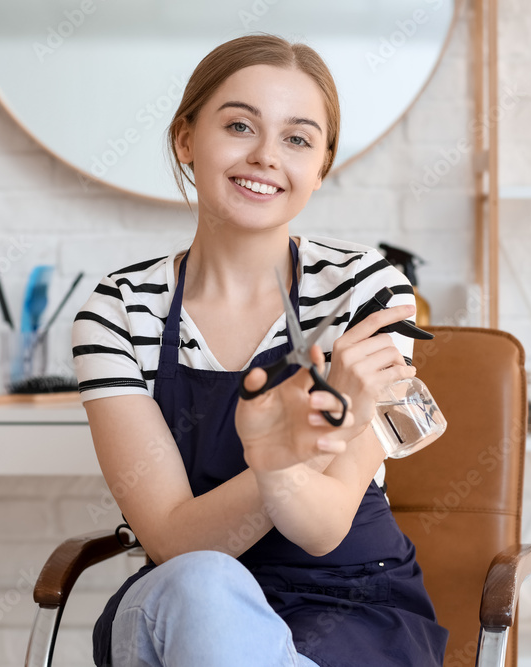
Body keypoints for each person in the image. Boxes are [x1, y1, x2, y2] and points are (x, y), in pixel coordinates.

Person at [71, 33, 449, 667]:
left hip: (352, 601)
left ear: (321, 165)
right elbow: (170, 541)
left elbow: (325, 526)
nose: (266, 156)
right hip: (189, 602)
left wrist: (279, 463)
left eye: (298, 139)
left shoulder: (365, 290)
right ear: (186, 139)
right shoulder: (120, 310)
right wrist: (287, 458)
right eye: (240, 125)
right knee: (206, 586)